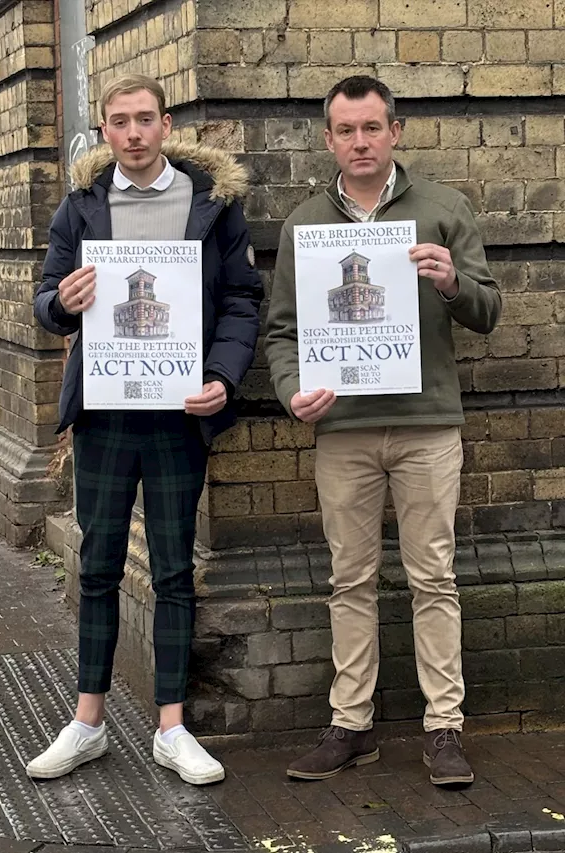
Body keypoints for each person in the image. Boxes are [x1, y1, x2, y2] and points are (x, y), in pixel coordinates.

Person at [265, 75, 501, 787]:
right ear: (328, 138)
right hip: (343, 429)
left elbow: (489, 311)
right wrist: (290, 389)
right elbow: (281, 331)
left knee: (434, 575)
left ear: (396, 131)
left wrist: (454, 282)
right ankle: (351, 723)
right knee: (350, 578)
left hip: (428, 424)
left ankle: (444, 726)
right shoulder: (304, 223)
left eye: (372, 128)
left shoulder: (443, 208)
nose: (360, 142)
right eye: (346, 130)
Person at [29, 74, 262, 785]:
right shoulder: (80, 207)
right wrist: (61, 303)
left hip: (178, 413)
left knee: (172, 570)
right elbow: (44, 295)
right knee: (97, 565)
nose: (132, 133)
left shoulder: (213, 205)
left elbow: (243, 302)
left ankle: (171, 726)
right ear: (105, 131)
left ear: (165, 124)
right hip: (103, 412)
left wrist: (222, 376)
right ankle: (87, 721)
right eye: (119, 121)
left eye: (144, 120)